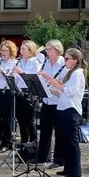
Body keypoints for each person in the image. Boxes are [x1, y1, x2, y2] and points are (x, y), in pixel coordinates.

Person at [40, 48, 86, 177]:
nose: (64, 61)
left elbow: (70, 91)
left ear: (75, 61)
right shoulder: (68, 72)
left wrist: (55, 83)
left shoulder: (77, 73)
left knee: (72, 142)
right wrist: (50, 80)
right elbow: (60, 90)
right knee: (65, 140)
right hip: (62, 107)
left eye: (67, 59)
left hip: (71, 109)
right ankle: (68, 168)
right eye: (64, 58)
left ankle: (75, 172)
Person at [38, 40, 65, 169]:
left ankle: (59, 159)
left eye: (49, 50)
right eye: (46, 50)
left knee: (59, 132)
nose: (47, 52)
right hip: (47, 100)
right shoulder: (46, 62)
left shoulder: (63, 63)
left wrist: (46, 76)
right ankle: (42, 156)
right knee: (44, 130)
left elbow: (59, 83)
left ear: (57, 50)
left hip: (58, 102)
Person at [13, 40, 42, 143]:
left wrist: (21, 72)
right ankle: (23, 144)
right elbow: (17, 79)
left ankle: (33, 144)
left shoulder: (35, 62)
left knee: (29, 121)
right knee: (21, 121)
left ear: (30, 51)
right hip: (20, 93)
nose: (21, 51)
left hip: (30, 93)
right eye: (21, 49)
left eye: (23, 49)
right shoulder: (20, 62)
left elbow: (33, 78)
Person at [0, 40, 18, 153]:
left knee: (6, 118)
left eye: (6, 50)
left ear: (11, 51)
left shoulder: (14, 62)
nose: (3, 52)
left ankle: (6, 142)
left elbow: (12, 77)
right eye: (2, 50)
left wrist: (2, 72)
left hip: (7, 92)